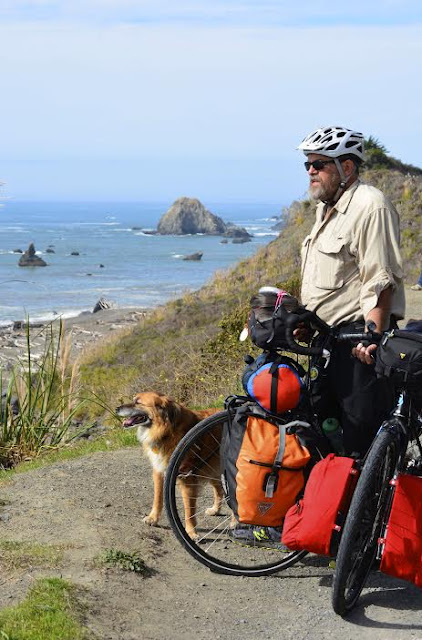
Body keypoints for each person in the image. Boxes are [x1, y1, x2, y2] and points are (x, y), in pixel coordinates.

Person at [297, 125, 405, 456]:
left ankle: (370, 506)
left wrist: (371, 338)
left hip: (357, 345)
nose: (311, 171)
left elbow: (379, 278)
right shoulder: (324, 208)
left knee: (361, 441)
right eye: (308, 165)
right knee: (324, 432)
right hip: (326, 343)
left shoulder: (370, 206)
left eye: (320, 164)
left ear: (346, 167)